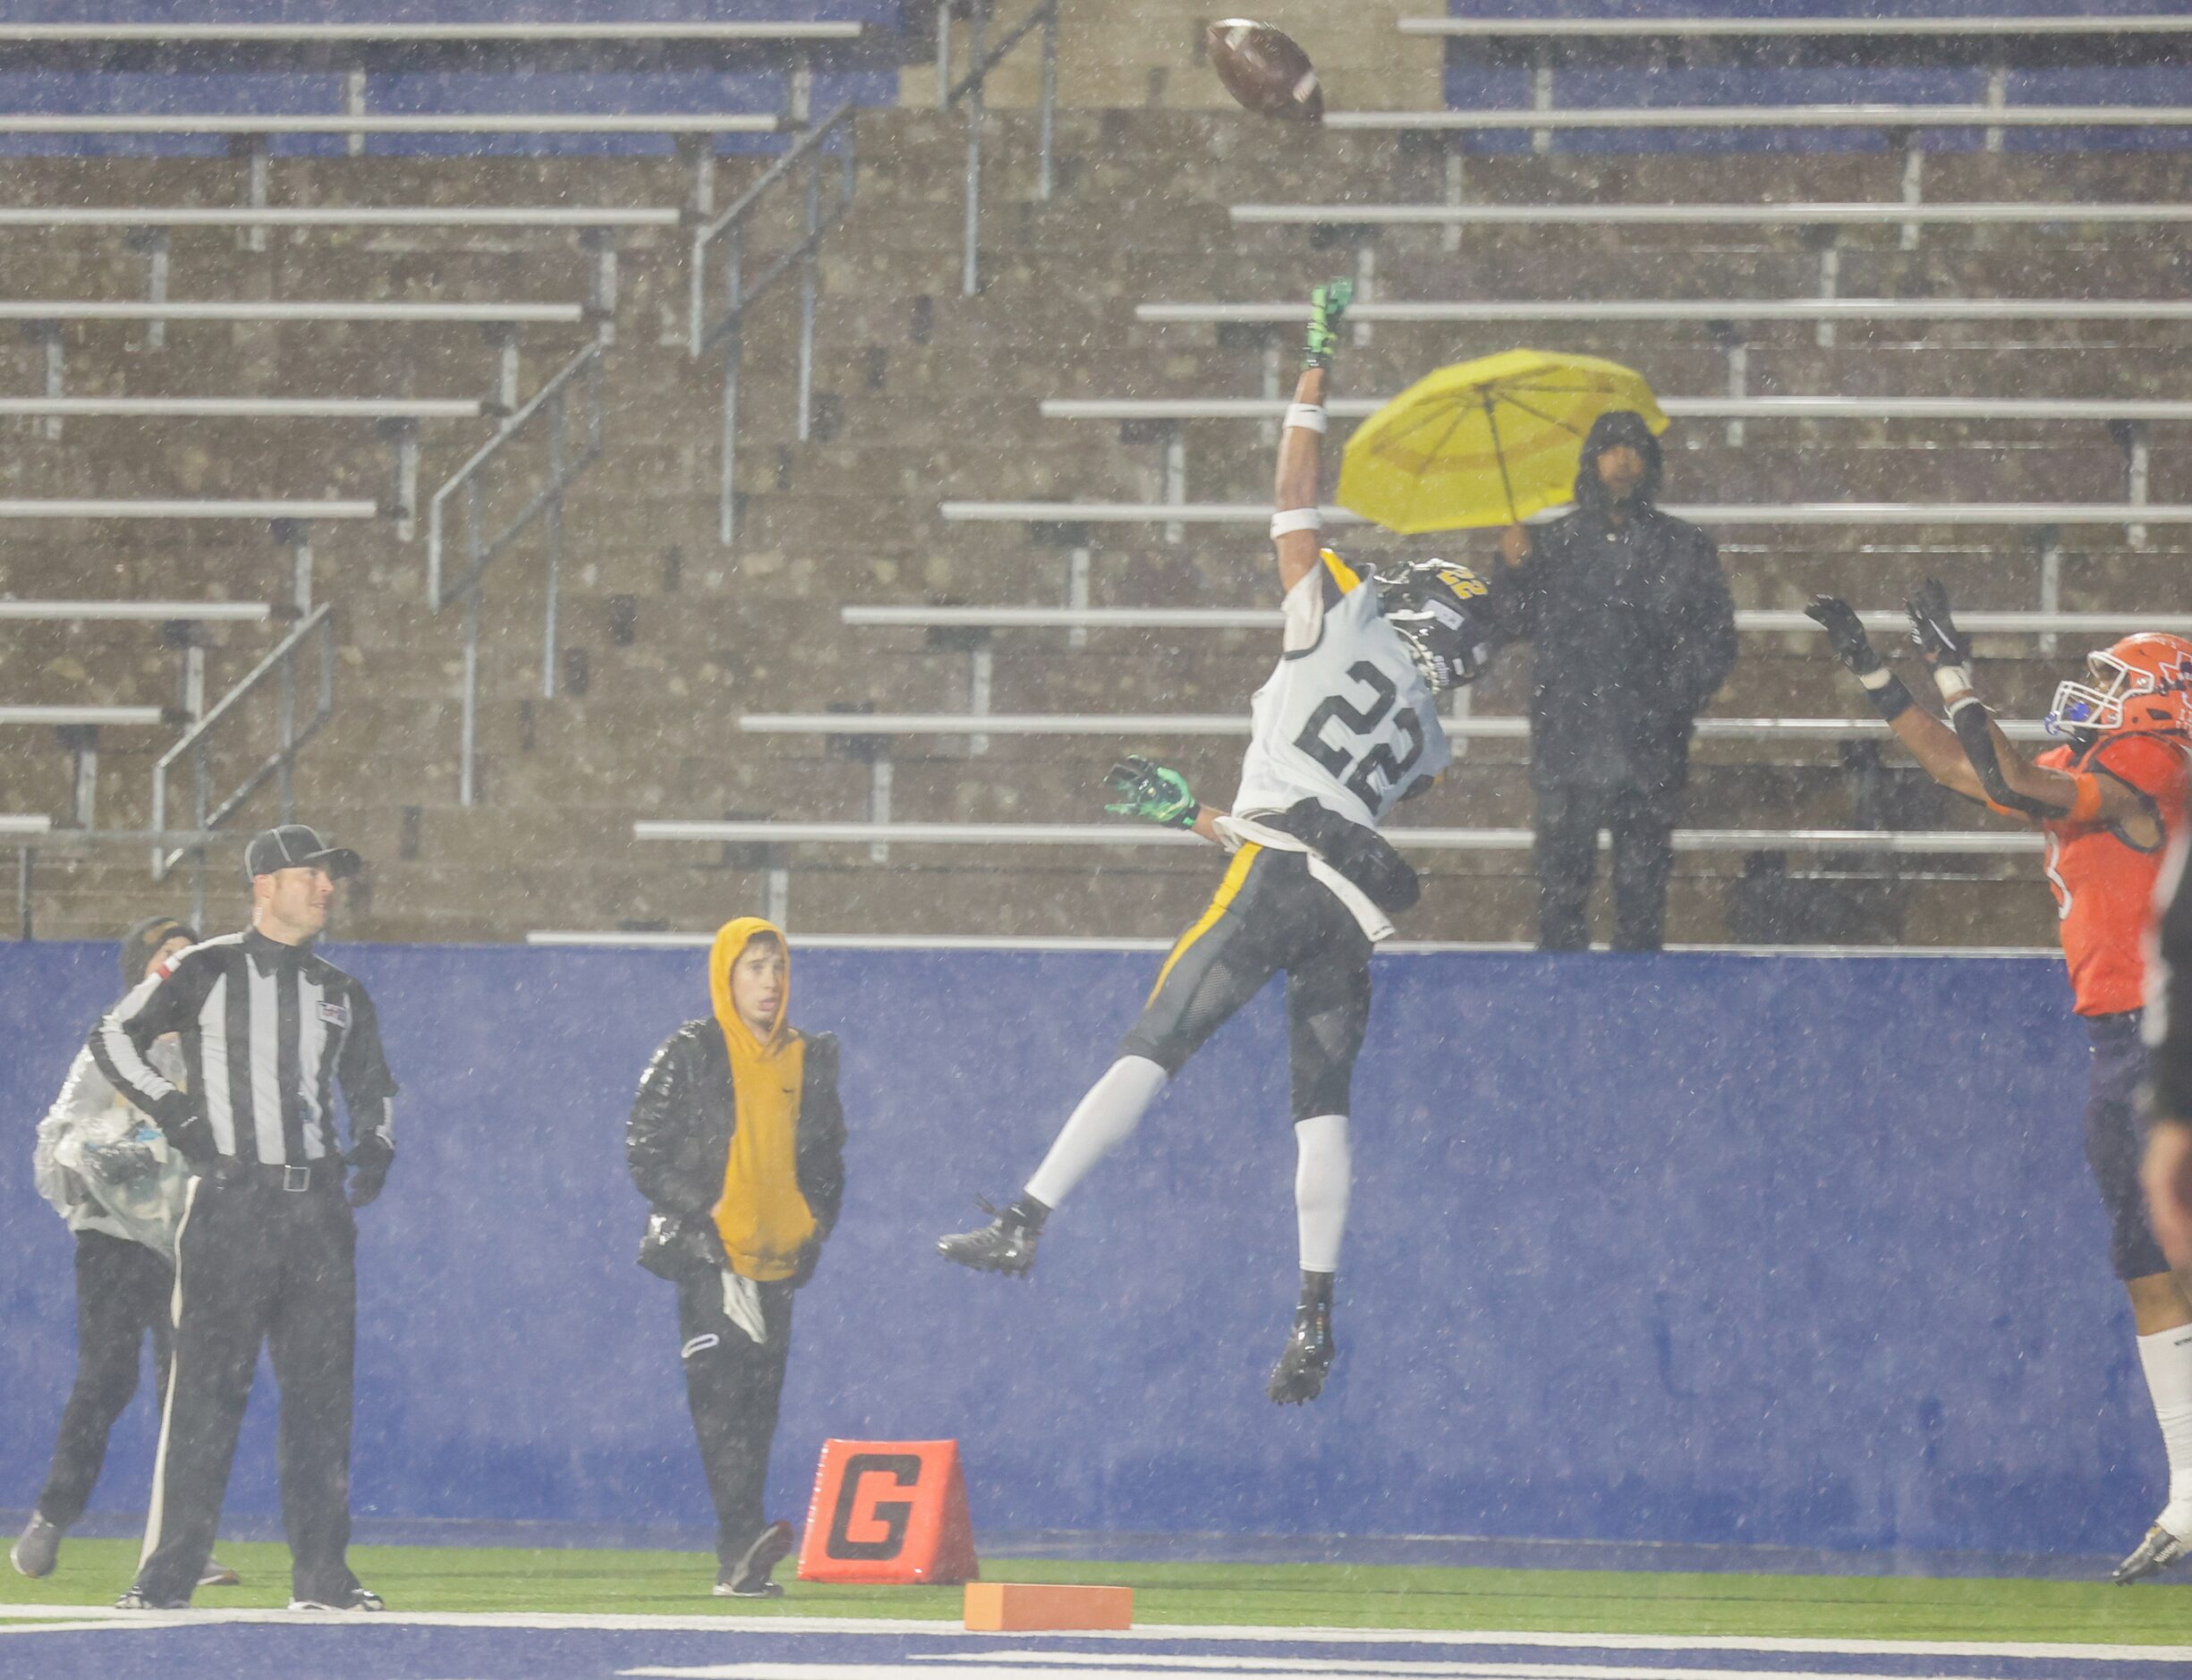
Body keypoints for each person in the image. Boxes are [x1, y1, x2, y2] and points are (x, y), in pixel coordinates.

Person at [936, 279, 1499, 1405]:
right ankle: (1313, 1314)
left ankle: (1026, 1217)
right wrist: (1190, 814)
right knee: (1320, 1110)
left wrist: (1314, 365)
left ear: (1420, 613)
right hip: (1345, 912)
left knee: (1155, 1042)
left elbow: (1291, 501)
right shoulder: (1433, 740)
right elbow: (1321, 805)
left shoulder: (1339, 610)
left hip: (1278, 873)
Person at [1807, 587, 2192, 1584]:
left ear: (2158, 703)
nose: (2096, 691)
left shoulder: (2155, 767)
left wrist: (1955, 670)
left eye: (2114, 681)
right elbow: (1959, 766)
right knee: (2144, 1264)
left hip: (2166, 1037)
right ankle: (2190, 1490)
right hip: (2121, 1042)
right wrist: (1872, 670)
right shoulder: (2099, 766)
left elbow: (2011, 780)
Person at [89, 824, 397, 1612]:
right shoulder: (207, 966)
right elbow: (113, 1037)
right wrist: (178, 1113)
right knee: (204, 1399)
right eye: (310, 875)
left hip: (317, 1213)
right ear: (264, 886)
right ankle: (166, 1576)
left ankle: (323, 1575)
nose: (326, 888)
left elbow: (374, 1084)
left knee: (322, 1401)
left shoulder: (339, 989)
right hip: (232, 1204)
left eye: (332, 877)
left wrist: (376, 1145)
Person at [13, 917, 238, 1591]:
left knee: (188, 1394)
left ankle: (182, 1548)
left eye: (189, 957)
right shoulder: (111, 1046)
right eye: (168, 956)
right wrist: (104, 1161)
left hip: (186, 1245)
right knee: (109, 1378)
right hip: (111, 1242)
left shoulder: (216, 1057)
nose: (181, 968)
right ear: (141, 972)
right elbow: (57, 1140)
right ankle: (52, 1515)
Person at [626, 919, 846, 1599]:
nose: (770, 982)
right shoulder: (692, 1050)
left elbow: (829, 1159)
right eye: (754, 968)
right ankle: (743, 1539)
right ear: (726, 975)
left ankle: (741, 1559)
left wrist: (812, 1227)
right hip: (709, 1257)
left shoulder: (809, 1056)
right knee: (720, 1402)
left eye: (777, 967)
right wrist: (709, 1211)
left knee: (757, 1409)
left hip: (778, 1262)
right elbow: (644, 1147)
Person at [1493, 412, 1736, 950]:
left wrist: (1671, 704)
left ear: (1650, 463)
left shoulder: (1684, 547)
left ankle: (1640, 1015)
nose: (1623, 460)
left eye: (1635, 449)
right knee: (1560, 895)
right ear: (1590, 462)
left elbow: (1715, 640)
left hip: (1649, 751)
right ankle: (1560, 1005)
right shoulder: (1550, 545)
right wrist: (1514, 568)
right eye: (1611, 448)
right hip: (1568, 748)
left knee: (1643, 895)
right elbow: (1512, 623)